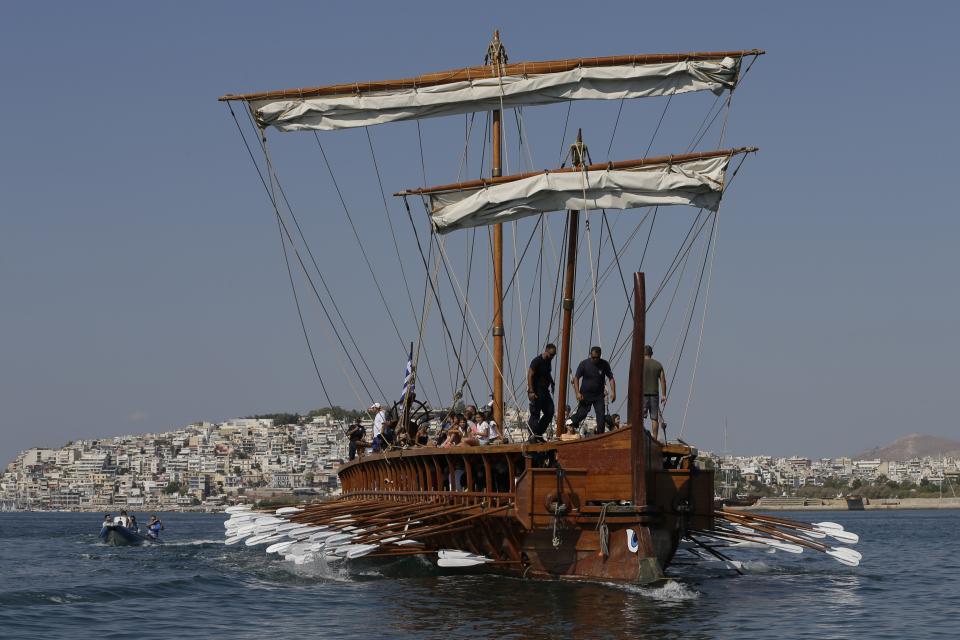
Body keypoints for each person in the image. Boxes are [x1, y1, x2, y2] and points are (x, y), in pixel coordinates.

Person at [569, 346, 616, 436]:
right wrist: (577, 393)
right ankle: (569, 422)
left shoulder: (604, 364)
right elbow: (576, 378)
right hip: (585, 395)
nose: (595, 359)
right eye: (593, 357)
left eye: (597, 357)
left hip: (598, 395)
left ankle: (600, 435)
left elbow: (611, 378)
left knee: (601, 416)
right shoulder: (584, 364)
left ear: (599, 356)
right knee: (582, 414)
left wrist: (613, 392)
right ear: (590, 355)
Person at [527, 343, 557, 442]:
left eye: (554, 355)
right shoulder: (537, 361)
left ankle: (538, 434)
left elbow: (547, 373)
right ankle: (532, 435)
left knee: (550, 412)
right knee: (535, 413)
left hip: (545, 391)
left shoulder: (548, 361)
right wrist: (531, 391)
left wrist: (552, 382)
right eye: (551, 354)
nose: (552, 357)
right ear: (546, 351)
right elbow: (530, 374)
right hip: (536, 391)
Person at [643, 345, 668, 441]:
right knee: (654, 418)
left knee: (640, 416)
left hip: (642, 394)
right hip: (654, 394)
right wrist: (664, 395)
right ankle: (654, 438)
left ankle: (640, 435)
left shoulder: (639, 364)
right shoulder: (658, 365)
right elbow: (663, 381)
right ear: (651, 353)